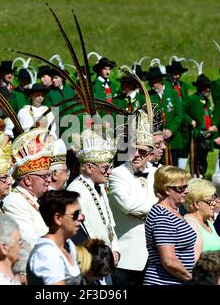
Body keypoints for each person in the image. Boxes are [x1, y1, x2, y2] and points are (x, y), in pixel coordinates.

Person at [109, 109, 157, 285]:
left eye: (142, 152)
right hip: (127, 257)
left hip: (155, 255)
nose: (136, 155)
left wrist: (144, 211)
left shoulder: (158, 173)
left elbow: (171, 202)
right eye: (132, 150)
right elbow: (128, 205)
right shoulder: (117, 174)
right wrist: (157, 208)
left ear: (151, 154)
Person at [67, 126, 121, 268]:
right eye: (105, 168)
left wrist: (115, 250)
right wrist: (102, 256)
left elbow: (109, 224)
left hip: (106, 258)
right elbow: (84, 230)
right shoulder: (76, 189)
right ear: (89, 168)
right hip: (93, 261)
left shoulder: (100, 186)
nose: (110, 172)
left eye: (110, 167)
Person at [144, 165, 195, 285]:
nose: (186, 191)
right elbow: (169, 261)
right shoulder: (162, 217)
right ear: (167, 190)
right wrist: (192, 279)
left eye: (186, 186)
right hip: (163, 281)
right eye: (181, 188)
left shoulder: (175, 211)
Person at [3, 128, 52, 249]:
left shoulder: (31, 199)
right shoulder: (14, 202)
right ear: (28, 180)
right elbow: (30, 243)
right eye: (45, 176)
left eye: (49, 175)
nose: (49, 180)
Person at [27, 190, 83, 285]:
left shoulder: (68, 244)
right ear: (58, 218)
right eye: (75, 214)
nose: (81, 217)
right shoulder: (46, 253)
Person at [183, 179, 220, 261]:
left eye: (214, 199)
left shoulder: (208, 223)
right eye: (210, 201)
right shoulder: (190, 224)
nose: (214, 203)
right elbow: (194, 260)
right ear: (197, 204)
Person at [147, 67, 184, 167]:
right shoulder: (149, 96)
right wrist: (158, 132)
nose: (150, 84)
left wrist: (171, 130)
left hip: (173, 137)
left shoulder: (173, 93)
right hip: (157, 137)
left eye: (152, 81)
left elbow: (179, 114)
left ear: (158, 80)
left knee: (173, 166)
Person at [183, 74, 217, 177]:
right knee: (195, 158)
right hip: (197, 134)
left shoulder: (207, 101)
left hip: (207, 134)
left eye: (209, 87)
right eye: (205, 87)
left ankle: (201, 176)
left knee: (203, 159)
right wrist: (190, 121)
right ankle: (195, 176)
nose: (208, 89)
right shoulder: (191, 99)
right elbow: (180, 110)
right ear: (199, 87)